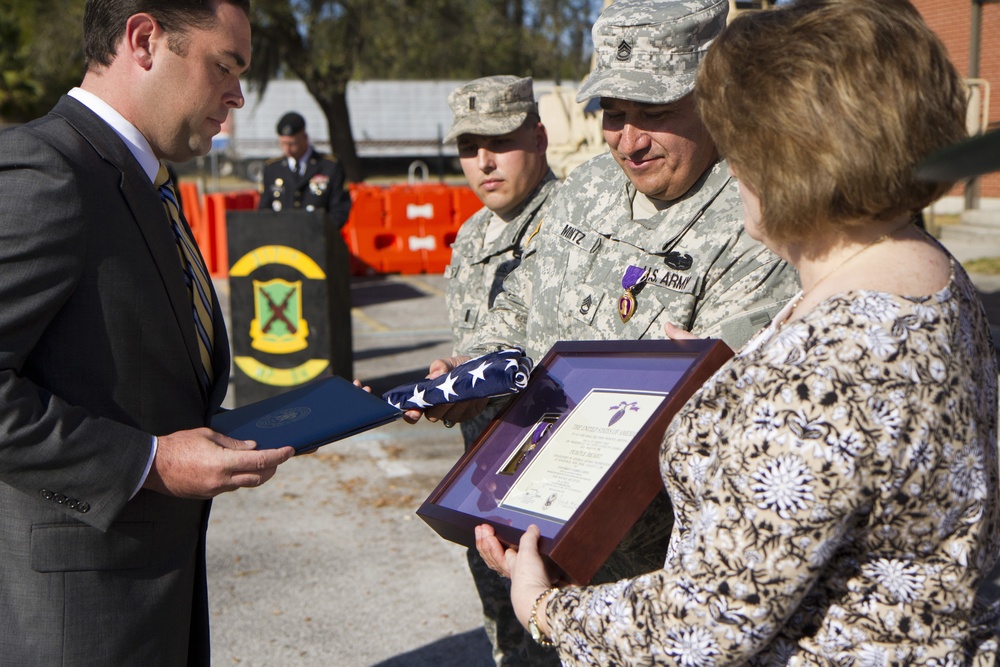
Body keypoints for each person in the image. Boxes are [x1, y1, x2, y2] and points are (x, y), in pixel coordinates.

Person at [478, 1, 1000, 664]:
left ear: (787, 155)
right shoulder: (932, 276)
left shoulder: (812, 374)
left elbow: (699, 631)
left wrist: (546, 607)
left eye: (738, 138)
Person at [0, 1, 296, 664]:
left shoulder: (146, 181)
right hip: (78, 625)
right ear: (143, 40)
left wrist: (292, 418)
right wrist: (149, 462)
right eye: (225, 65)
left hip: (154, 609)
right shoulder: (48, 171)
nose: (238, 94)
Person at [443, 74, 561, 666]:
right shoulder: (470, 236)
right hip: (483, 482)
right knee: (505, 642)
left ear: (538, 136)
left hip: (550, 485)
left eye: (500, 141)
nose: (484, 162)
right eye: (468, 148)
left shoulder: (572, 228)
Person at [258, 110, 352, 227]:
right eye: (283, 144)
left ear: (304, 137)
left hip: (318, 235)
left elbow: (340, 209)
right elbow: (264, 210)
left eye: (292, 144)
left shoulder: (329, 166)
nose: (287, 149)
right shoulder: (272, 169)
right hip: (282, 236)